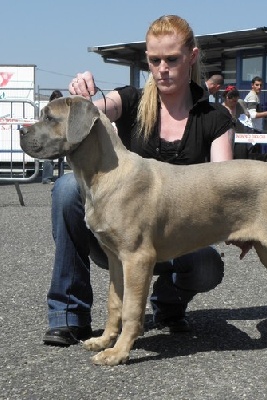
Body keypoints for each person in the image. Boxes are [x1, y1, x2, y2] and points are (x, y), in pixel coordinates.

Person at [43, 15, 235, 346]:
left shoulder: (215, 118)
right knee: (66, 189)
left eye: (172, 59)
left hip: (177, 241)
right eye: (154, 60)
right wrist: (83, 96)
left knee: (207, 266)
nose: (162, 68)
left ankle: (167, 306)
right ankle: (68, 315)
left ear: (192, 56)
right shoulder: (130, 100)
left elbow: (226, 184)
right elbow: (87, 114)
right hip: (122, 239)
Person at [236, 76, 267, 159]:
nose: (259, 87)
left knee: (254, 156)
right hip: (251, 130)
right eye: (257, 85)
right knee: (253, 157)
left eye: (261, 85)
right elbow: (253, 115)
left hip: (254, 129)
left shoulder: (255, 96)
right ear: (252, 85)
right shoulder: (252, 96)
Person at [42, 90, 64, 184]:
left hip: (60, 136)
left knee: (61, 159)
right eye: (54, 99)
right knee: (48, 158)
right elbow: (42, 123)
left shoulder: (63, 111)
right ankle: (47, 178)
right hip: (49, 136)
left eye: (58, 100)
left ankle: (61, 178)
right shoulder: (46, 110)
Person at [221, 85, 248, 153]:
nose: (234, 98)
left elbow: (248, 115)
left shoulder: (240, 103)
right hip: (227, 140)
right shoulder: (221, 108)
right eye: (231, 96)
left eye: (236, 95)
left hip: (241, 139)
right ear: (225, 97)